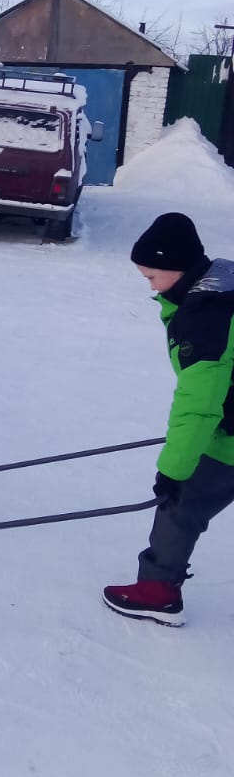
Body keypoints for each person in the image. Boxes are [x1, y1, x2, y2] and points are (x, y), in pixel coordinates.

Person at [103, 213, 234, 627]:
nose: (150, 286)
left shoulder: (204, 316)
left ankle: (158, 590)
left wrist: (174, 471)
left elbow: (199, 402)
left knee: (182, 502)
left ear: (177, 268)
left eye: (151, 276)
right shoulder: (222, 284)